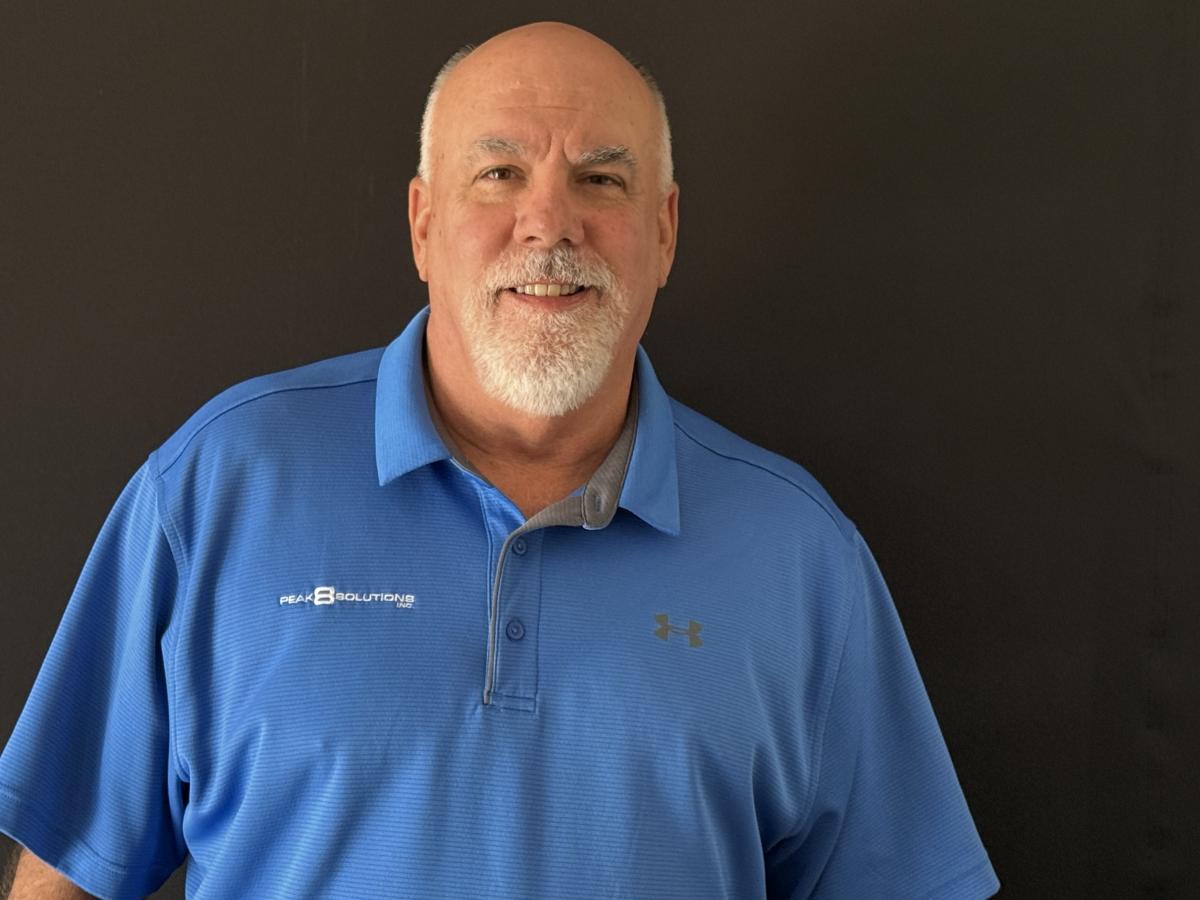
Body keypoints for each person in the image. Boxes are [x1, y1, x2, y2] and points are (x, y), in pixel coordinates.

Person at [0, 21, 1000, 900]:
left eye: (601, 179)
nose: (549, 223)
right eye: (500, 174)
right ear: (423, 223)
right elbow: (69, 875)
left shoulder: (798, 556)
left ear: (663, 232)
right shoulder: (219, 486)